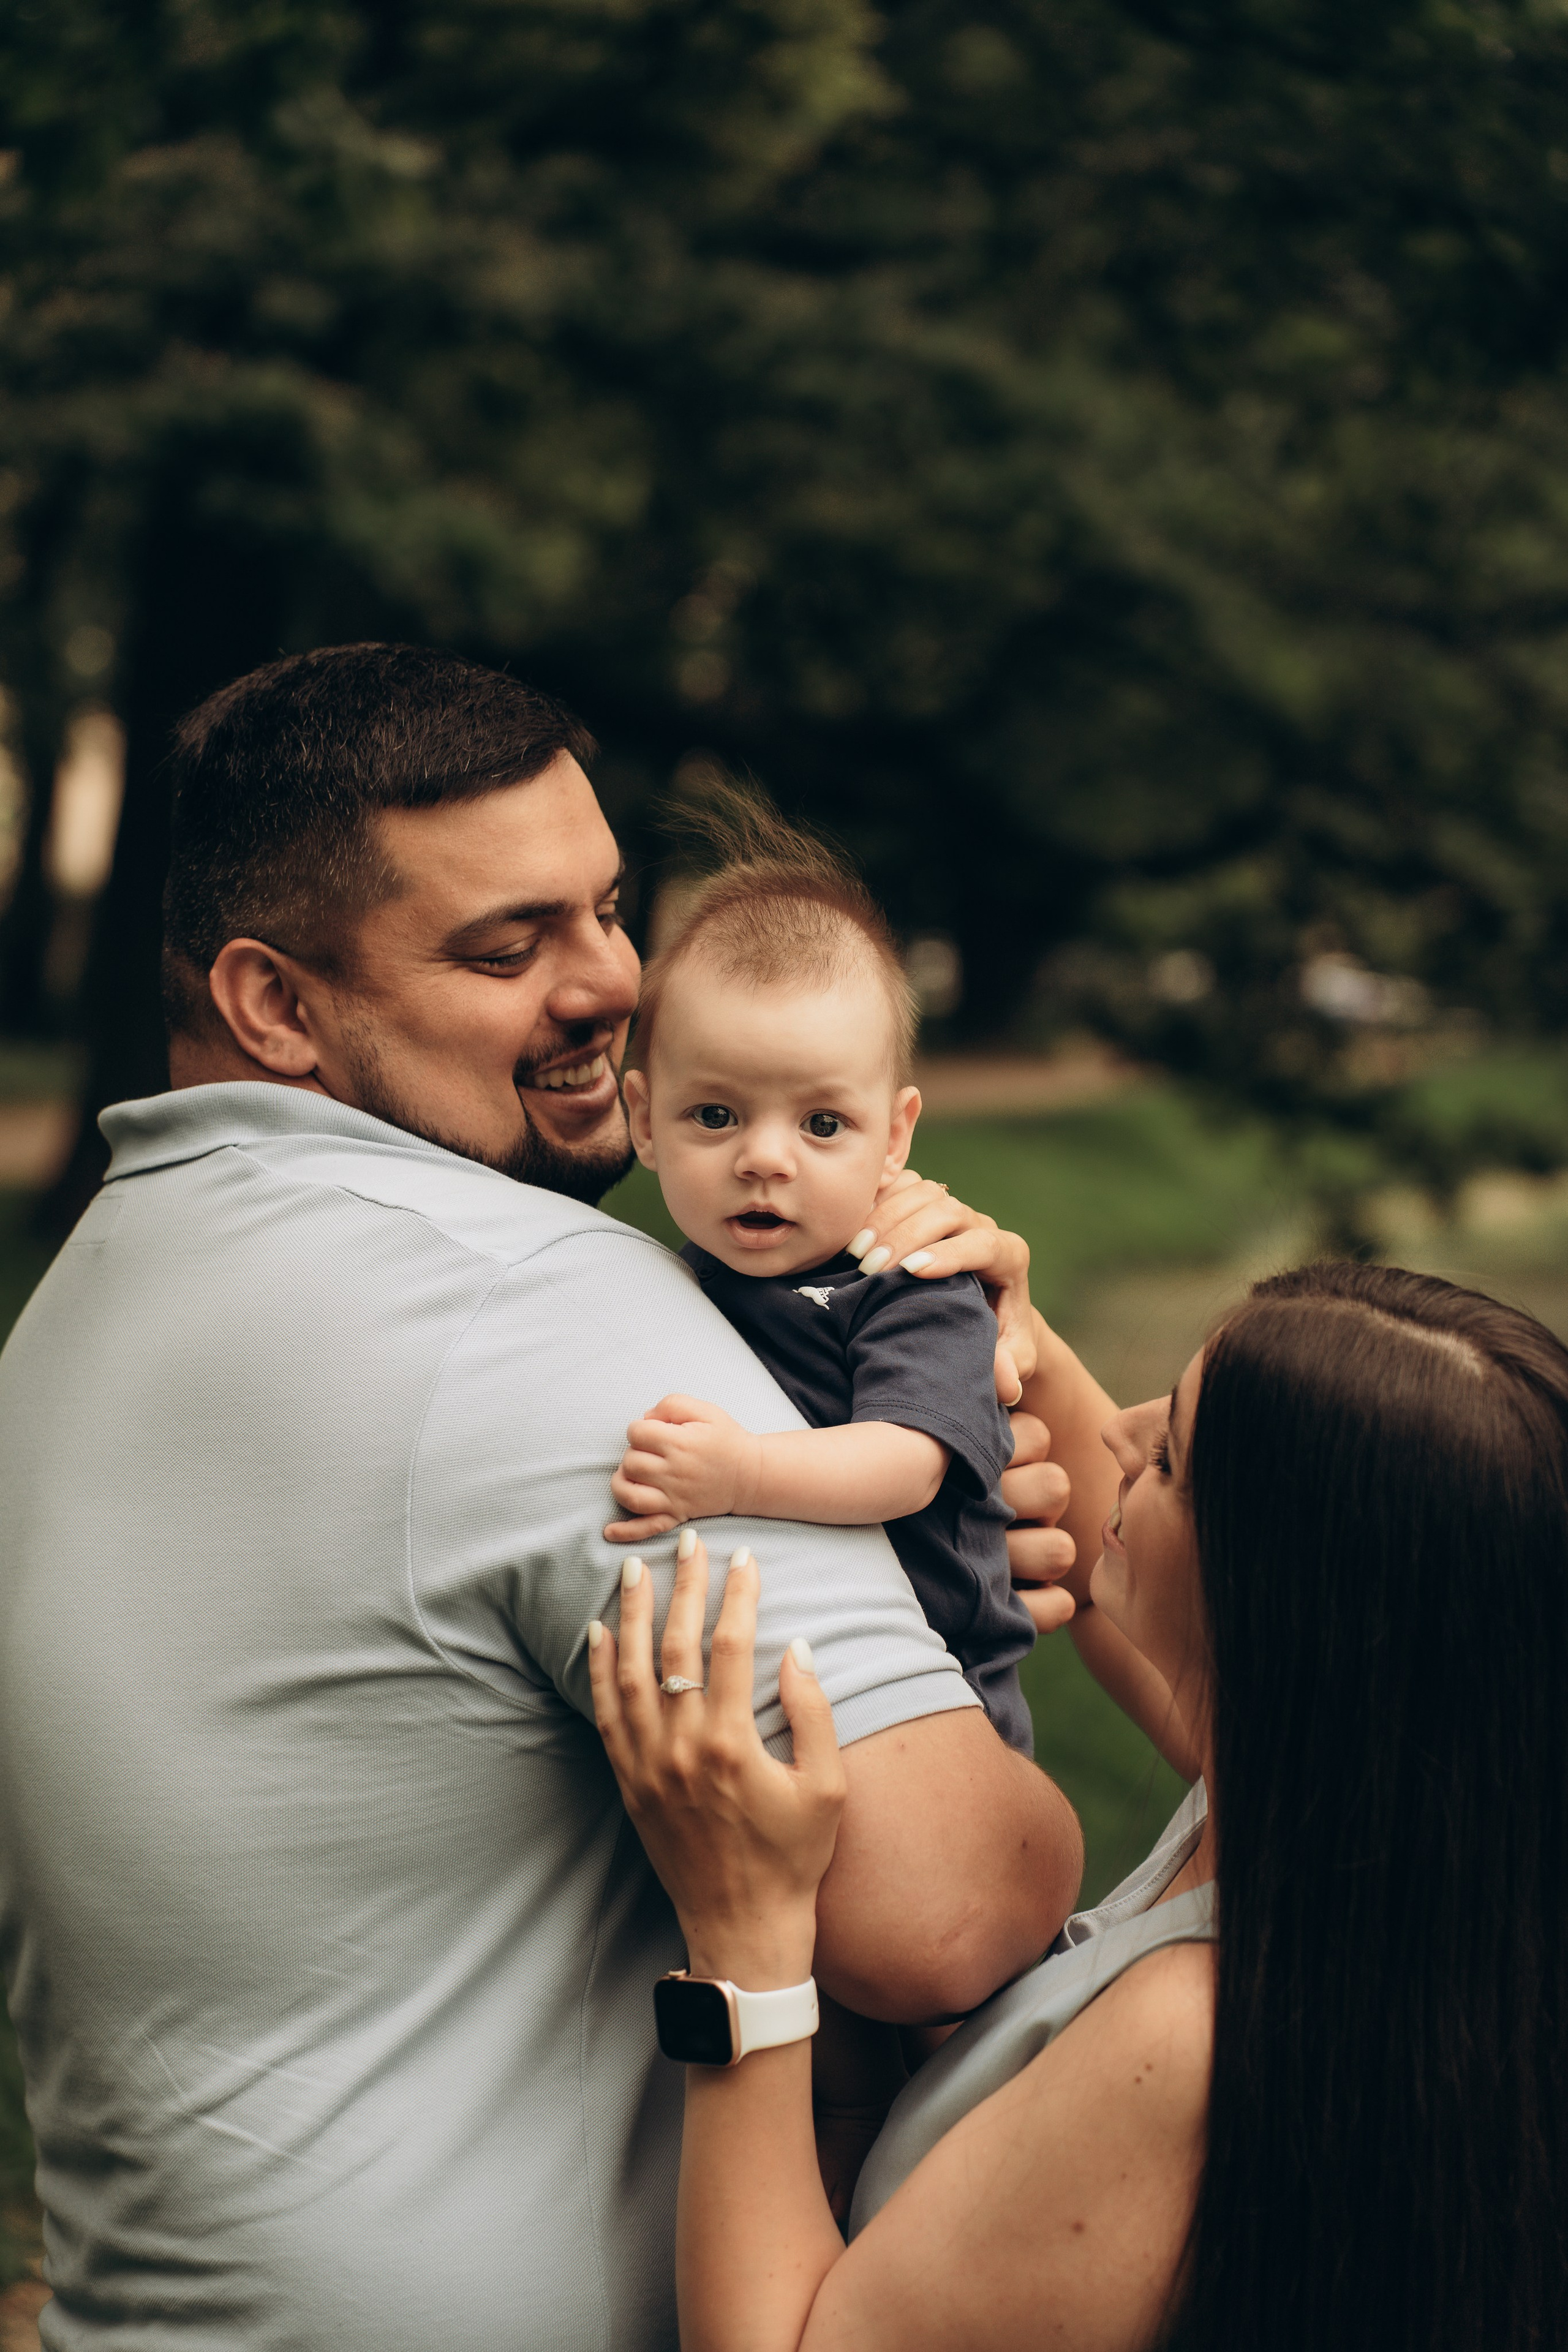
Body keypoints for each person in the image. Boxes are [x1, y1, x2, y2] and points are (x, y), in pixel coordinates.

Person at [0, 643, 1084, 2352]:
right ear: (277, 1005)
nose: (611, 987)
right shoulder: (533, 1301)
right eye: (509, 949)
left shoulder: (73, 1313)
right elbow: (956, 1910)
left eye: (606, 909)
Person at [589, 1259, 1568, 2352]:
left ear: (1281, 1603)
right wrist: (1016, 1332)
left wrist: (747, 1936)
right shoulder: (1381, 1829)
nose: (1120, 1433)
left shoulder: (1189, 2041)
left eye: (1174, 1455)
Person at [606, 802, 1038, 1753]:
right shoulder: (667, 1279)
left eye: (822, 1125)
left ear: (897, 1134)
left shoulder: (911, 1288)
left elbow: (904, 1461)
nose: (765, 1159)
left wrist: (742, 1473)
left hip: (941, 1694)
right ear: (642, 1118)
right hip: (789, 1685)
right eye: (714, 1115)